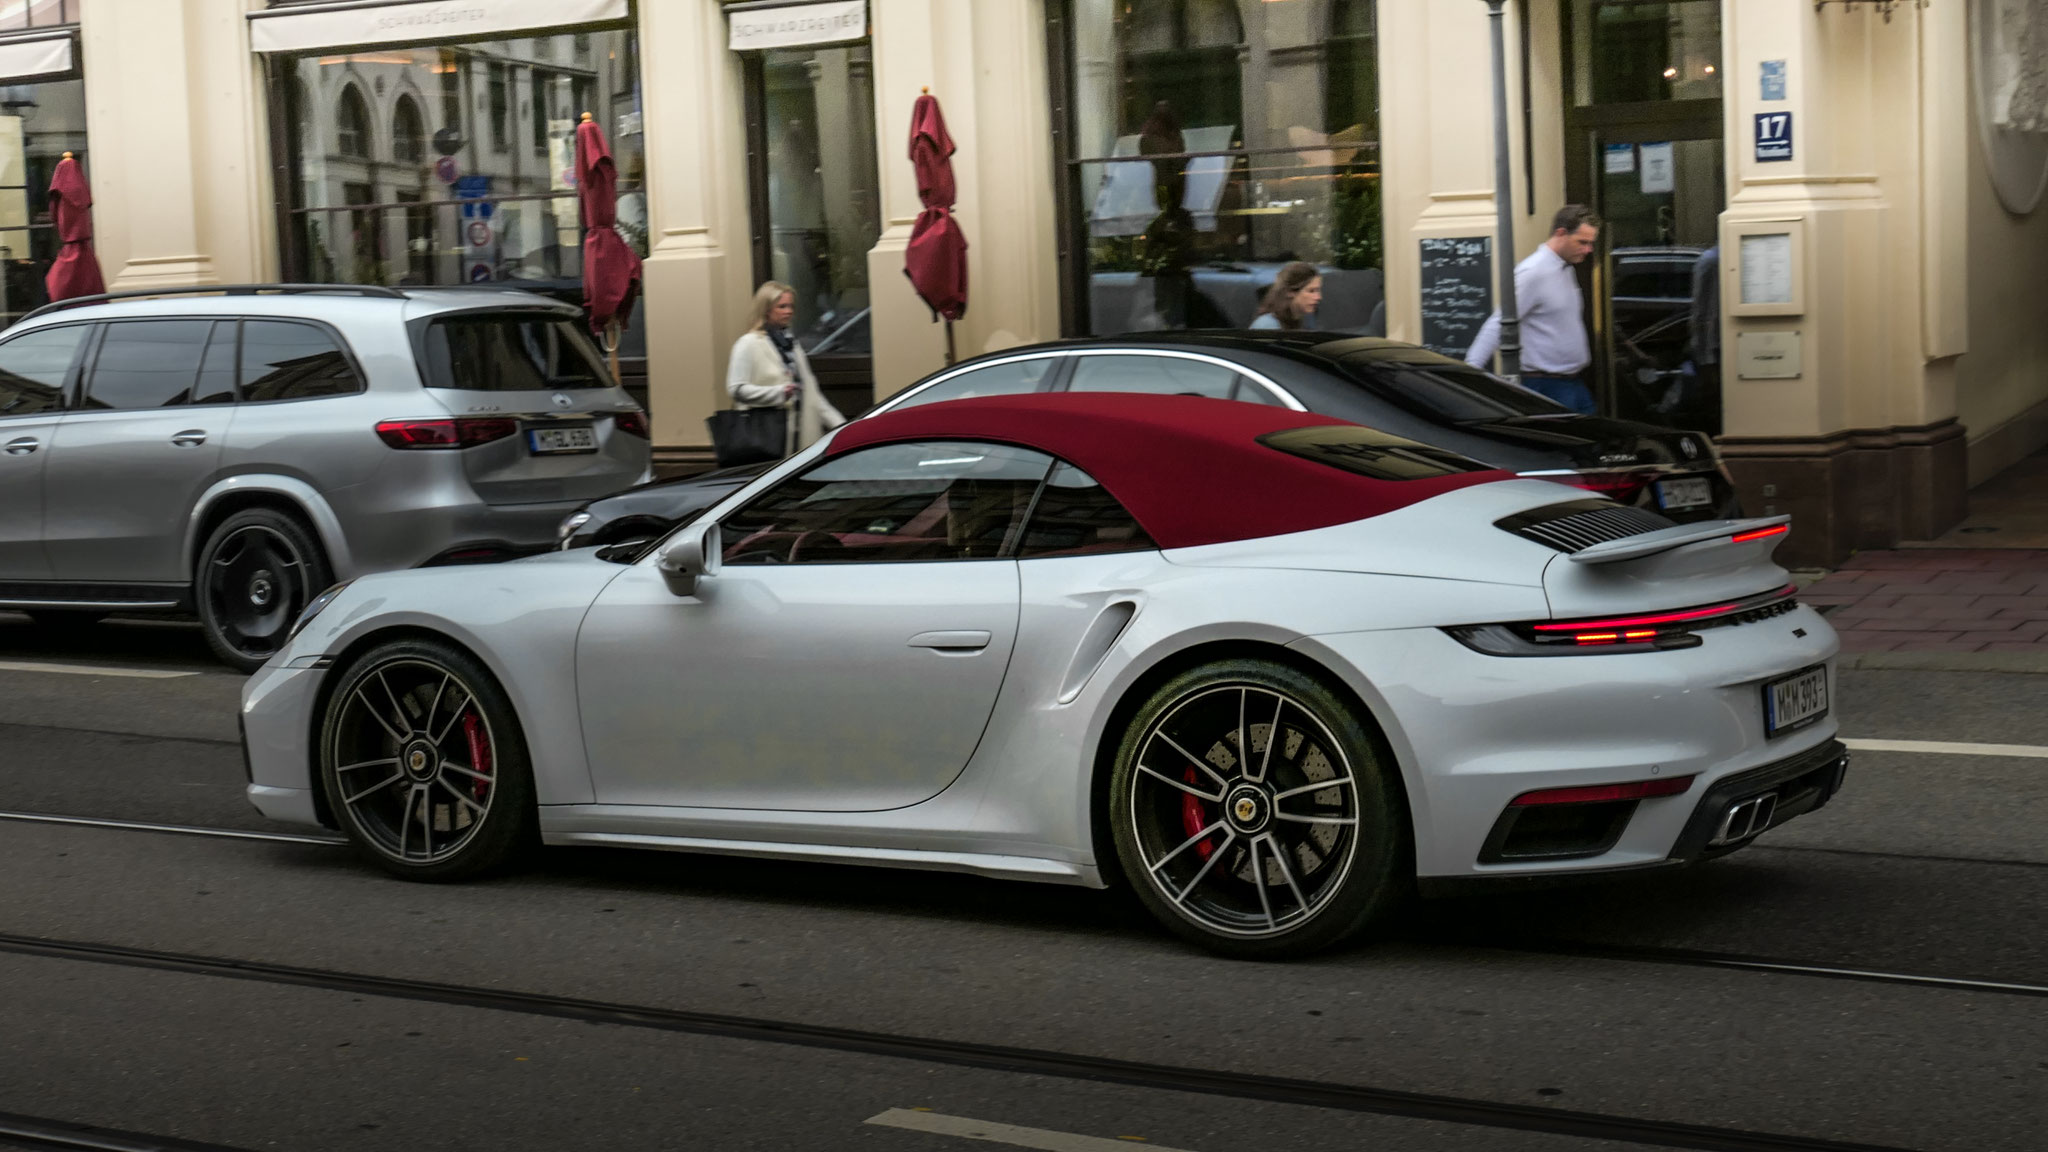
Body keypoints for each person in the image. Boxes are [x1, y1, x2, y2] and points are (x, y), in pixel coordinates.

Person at [1465, 205, 1600, 414]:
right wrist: (1470, 372)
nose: (1588, 250)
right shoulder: (1533, 272)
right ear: (1560, 233)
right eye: (1582, 242)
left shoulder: (1565, 267)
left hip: (1572, 383)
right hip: (1546, 385)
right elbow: (1500, 321)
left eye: (1591, 243)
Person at [726, 281, 845, 457]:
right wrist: (778, 393)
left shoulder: (791, 345)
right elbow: (736, 388)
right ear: (766, 309)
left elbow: (812, 394)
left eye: (790, 306)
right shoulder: (748, 343)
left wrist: (843, 427)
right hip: (764, 436)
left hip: (798, 435)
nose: (789, 311)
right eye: (782, 306)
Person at [1250, 262, 1322, 330]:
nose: (1318, 297)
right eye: (1311, 291)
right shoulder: (1267, 326)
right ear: (1290, 291)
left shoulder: (1306, 322)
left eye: (1318, 291)